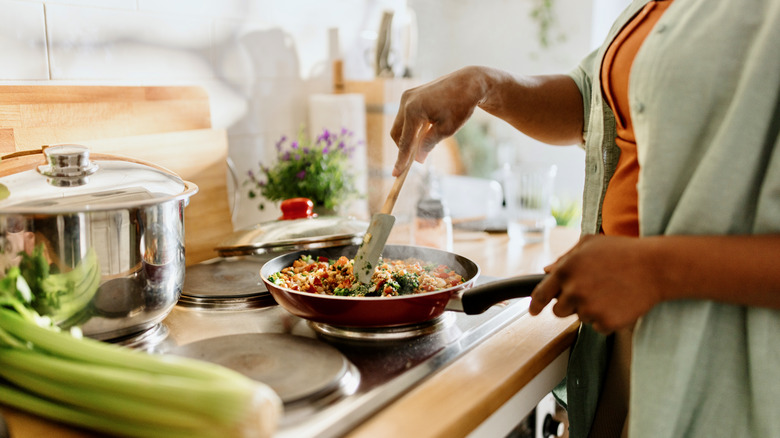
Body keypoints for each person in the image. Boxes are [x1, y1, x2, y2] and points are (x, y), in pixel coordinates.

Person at [389, 1, 780, 437]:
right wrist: (484, 84)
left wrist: (655, 268)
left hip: (730, 362)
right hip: (626, 339)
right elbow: (595, 101)